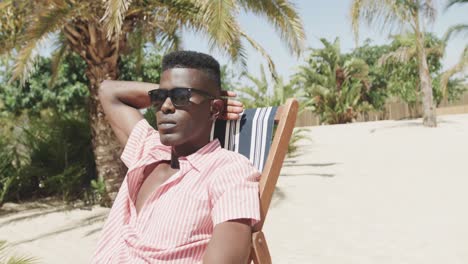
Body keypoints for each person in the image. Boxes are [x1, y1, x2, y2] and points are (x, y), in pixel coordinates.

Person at [92, 51, 261, 263]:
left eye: (181, 98)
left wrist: (206, 94)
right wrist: (178, 91)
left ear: (215, 108)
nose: (165, 107)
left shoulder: (228, 170)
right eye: (159, 98)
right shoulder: (148, 148)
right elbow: (108, 91)